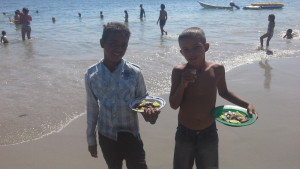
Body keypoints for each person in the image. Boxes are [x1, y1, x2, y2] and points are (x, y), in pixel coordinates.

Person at [169, 27, 258, 169]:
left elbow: (224, 92)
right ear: (181, 52)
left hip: (208, 132)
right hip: (184, 132)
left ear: (206, 47)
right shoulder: (179, 72)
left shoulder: (217, 69)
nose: (191, 53)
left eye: (196, 47)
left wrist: (246, 104)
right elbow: (173, 104)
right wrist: (183, 84)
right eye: (186, 49)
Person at [85, 22, 160, 169]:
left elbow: (143, 102)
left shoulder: (134, 73)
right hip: (106, 136)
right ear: (102, 43)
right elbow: (92, 108)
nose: (119, 49)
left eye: (123, 45)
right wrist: (91, 140)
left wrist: (150, 115)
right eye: (113, 43)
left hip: (131, 135)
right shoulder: (91, 74)